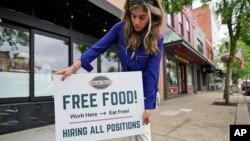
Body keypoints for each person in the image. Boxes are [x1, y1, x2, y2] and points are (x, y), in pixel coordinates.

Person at [55, 0, 163, 140]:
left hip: (144, 92)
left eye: (142, 17)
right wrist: (74, 67)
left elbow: (152, 73)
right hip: (126, 91)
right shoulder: (120, 28)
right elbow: (98, 47)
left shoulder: (157, 38)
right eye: (133, 16)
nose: (136, 22)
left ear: (151, 17)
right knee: (128, 133)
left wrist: (148, 106)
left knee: (143, 134)